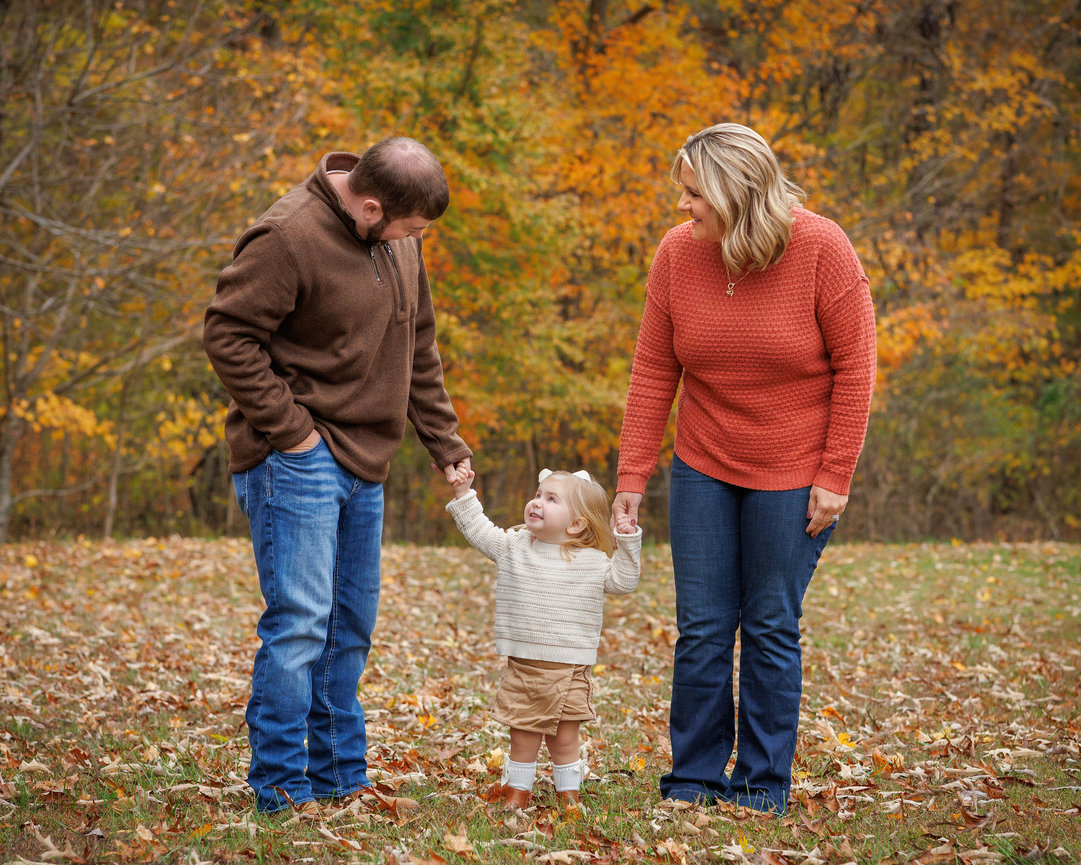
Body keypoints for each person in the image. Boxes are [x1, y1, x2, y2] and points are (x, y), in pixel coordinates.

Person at [202, 137, 473, 814]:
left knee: (348, 625)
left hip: (367, 458)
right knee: (299, 625)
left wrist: (443, 439)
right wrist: (291, 433)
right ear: (372, 206)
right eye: (411, 227)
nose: (416, 239)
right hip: (296, 459)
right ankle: (281, 786)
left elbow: (418, 342)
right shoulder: (287, 236)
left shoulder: (397, 240)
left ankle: (338, 778)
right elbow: (227, 334)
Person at [612, 123, 876, 814]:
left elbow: (856, 369)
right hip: (703, 462)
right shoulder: (676, 255)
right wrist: (631, 477)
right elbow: (651, 370)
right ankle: (693, 777)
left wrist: (835, 474)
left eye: (694, 193)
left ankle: (761, 782)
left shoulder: (821, 247)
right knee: (701, 625)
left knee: (767, 624)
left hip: (794, 470)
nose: (683, 207)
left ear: (736, 193)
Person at [445, 468, 641, 811]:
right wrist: (464, 493)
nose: (536, 502)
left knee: (564, 740)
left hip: (571, 669)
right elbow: (478, 529)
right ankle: (518, 792)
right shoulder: (514, 547)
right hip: (524, 665)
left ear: (577, 524)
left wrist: (626, 540)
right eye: (538, 495)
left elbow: (624, 582)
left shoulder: (592, 562)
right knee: (522, 736)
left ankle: (569, 796)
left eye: (551, 499)